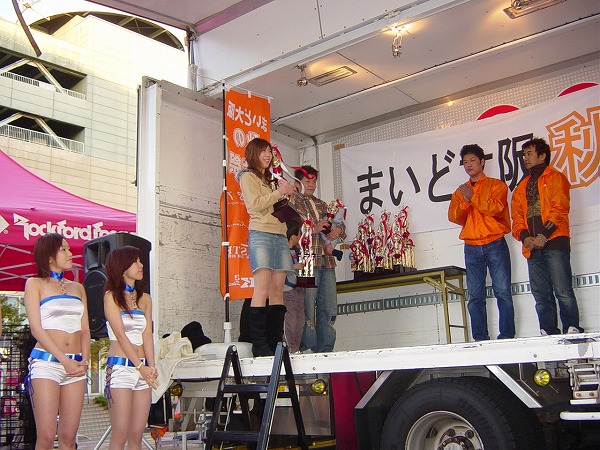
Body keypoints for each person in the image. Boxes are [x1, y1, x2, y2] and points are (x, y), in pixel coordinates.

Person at [23, 233, 90, 450]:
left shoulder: (78, 287)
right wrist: (64, 360)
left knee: (68, 438)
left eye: (69, 249)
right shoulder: (34, 284)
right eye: (64, 249)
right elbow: (36, 329)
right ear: (49, 256)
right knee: (46, 436)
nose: (70, 253)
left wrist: (84, 361)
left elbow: (85, 330)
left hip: (76, 365)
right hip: (47, 363)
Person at [511, 138, 584, 336]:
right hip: (532, 247)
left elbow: (560, 209)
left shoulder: (556, 178)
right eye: (524, 154)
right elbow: (517, 218)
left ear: (542, 156)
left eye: (529, 153)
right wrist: (525, 237)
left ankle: (572, 328)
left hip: (555, 242)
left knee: (563, 290)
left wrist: (544, 235)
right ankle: (548, 330)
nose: (525, 158)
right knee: (541, 294)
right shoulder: (521, 186)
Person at [448, 144, 515, 341]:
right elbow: (454, 217)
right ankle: (480, 338)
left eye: (472, 160)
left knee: (502, 291)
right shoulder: (461, 191)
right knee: (475, 296)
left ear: (482, 162)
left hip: (495, 242)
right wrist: (466, 201)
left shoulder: (497, 185)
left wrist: (474, 197)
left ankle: (507, 336)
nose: (468, 165)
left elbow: (496, 209)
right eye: (465, 162)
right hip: (471, 246)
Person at [236, 138, 296, 357]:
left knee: (277, 291)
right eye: (263, 151)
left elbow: (274, 204)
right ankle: (259, 344)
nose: (268, 155)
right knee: (261, 289)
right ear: (253, 153)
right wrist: (280, 193)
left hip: (280, 236)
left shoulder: (272, 179)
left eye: (269, 151)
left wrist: (286, 194)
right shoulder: (247, 176)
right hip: (261, 234)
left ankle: (276, 342)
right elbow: (256, 205)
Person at [103, 245, 158, 449]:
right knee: (120, 433)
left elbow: (147, 334)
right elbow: (120, 334)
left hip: (143, 369)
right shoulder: (111, 297)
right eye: (135, 261)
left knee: (137, 434)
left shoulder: (145, 298)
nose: (140, 265)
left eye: (140, 260)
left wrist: (151, 366)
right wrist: (140, 366)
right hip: (121, 368)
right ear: (122, 267)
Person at [290, 165, 346, 353]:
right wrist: (313, 228)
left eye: (314, 181)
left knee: (329, 307)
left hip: (327, 262)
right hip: (306, 262)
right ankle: (306, 347)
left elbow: (340, 224)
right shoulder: (293, 202)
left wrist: (338, 230)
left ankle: (325, 349)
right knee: (306, 306)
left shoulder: (322, 204)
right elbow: (289, 229)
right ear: (298, 182)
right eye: (307, 181)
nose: (312, 185)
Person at [283, 220, 305, 353]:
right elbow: (279, 267)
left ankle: (296, 348)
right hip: (287, 289)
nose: (301, 236)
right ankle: (288, 348)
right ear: (293, 236)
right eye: (299, 234)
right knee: (290, 320)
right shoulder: (282, 250)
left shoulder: (296, 251)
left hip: (298, 288)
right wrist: (294, 266)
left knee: (300, 320)